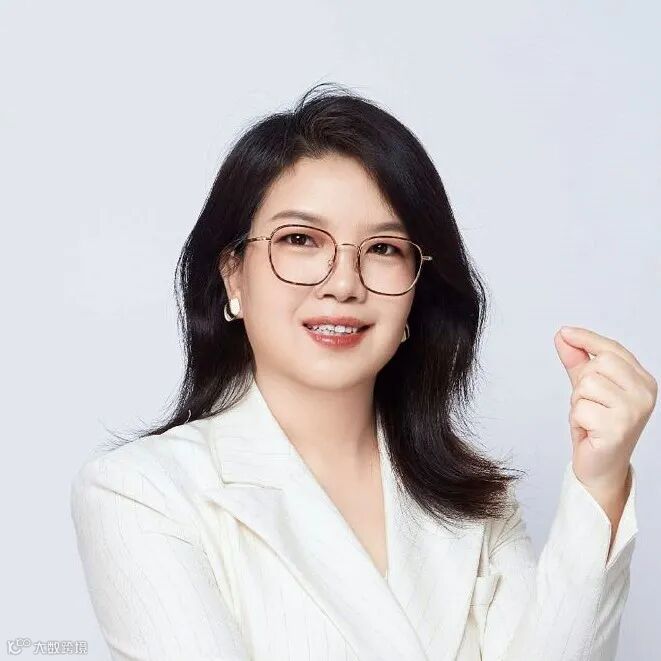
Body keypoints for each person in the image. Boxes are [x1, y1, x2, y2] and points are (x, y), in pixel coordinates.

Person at [70, 83, 655, 660]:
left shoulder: (479, 503)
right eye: (300, 239)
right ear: (233, 275)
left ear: (416, 291)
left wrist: (600, 481)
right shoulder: (142, 492)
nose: (344, 284)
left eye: (383, 249)